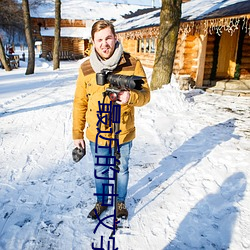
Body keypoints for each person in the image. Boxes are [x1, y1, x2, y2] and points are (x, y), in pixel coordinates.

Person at [72, 20, 150, 220]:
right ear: (93, 42)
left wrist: (130, 97)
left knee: (121, 168)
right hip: (97, 133)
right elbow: (80, 102)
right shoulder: (86, 68)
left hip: (123, 131)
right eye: (99, 40)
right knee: (100, 168)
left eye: (108, 38)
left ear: (115, 38)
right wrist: (77, 134)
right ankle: (102, 201)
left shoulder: (132, 64)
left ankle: (120, 201)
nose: (104, 43)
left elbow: (146, 95)